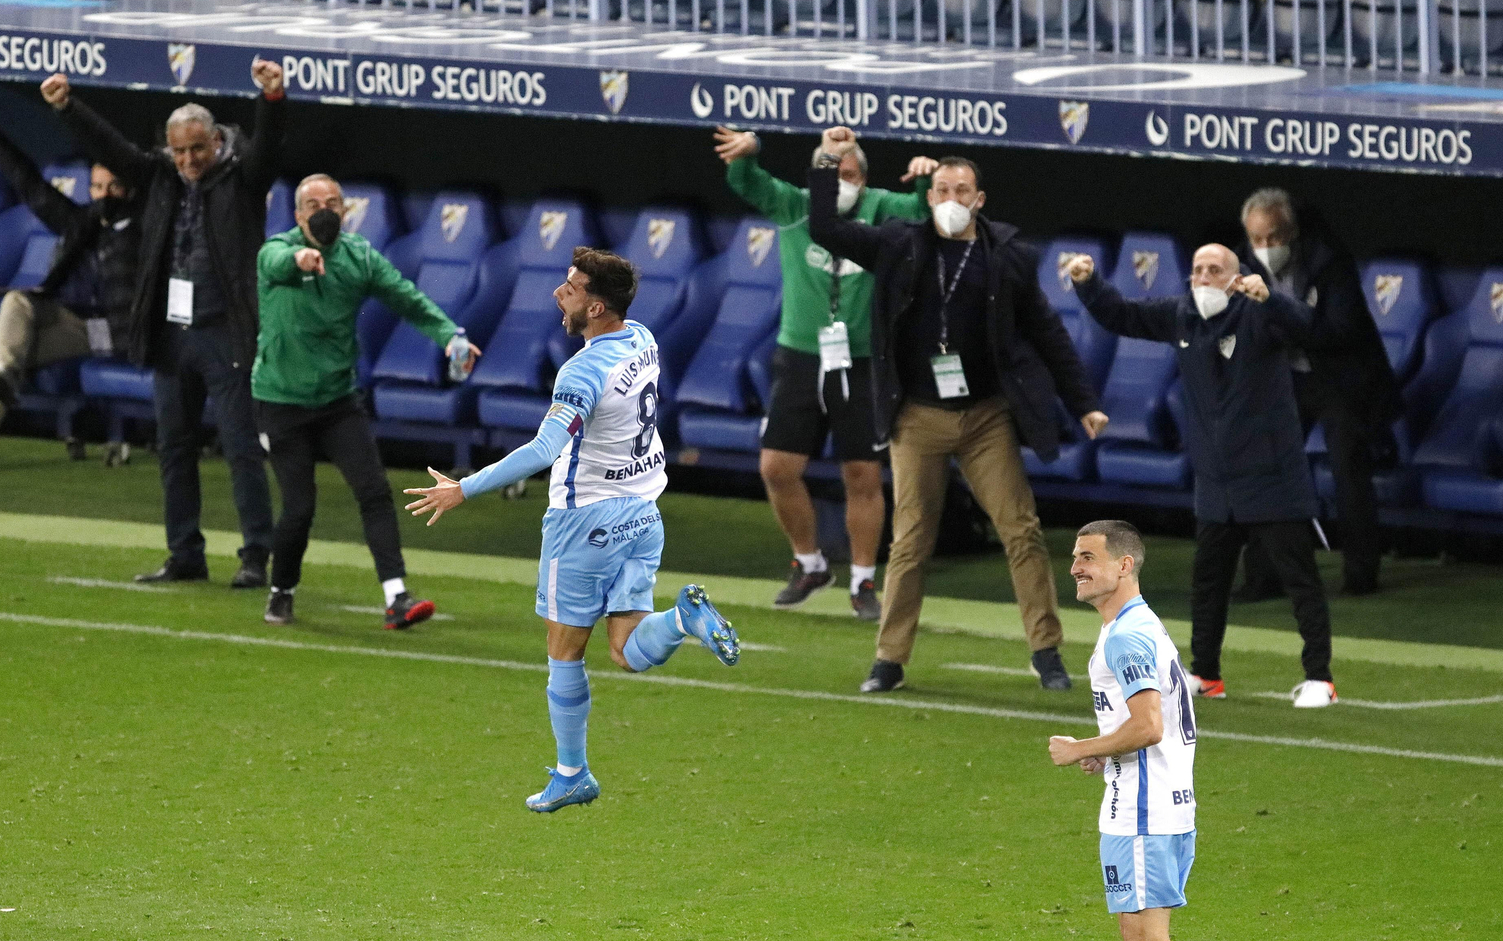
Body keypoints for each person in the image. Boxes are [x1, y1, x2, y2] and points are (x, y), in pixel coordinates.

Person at [404, 248, 741, 813]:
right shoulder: (643, 338)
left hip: (585, 520)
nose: (560, 293)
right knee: (628, 650)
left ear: (597, 304)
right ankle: (681, 620)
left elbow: (543, 448)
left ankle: (572, 772)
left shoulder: (582, 370)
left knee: (565, 650)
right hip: (643, 512)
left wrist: (464, 488)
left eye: (571, 287)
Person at [807, 126, 1107, 696]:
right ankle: (889, 660)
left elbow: (1047, 333)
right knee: (912, 539)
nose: (950, 198)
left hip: (985, 416)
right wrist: (828, 161)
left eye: (961, 189)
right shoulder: (900, 243)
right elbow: (826, 227)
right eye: (941, 188)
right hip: (918, 415)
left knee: (1021, 530)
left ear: (979, 200)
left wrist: (1085, 403)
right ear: (929, 197)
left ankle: (1046, 652)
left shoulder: (1008, 257)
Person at [39, 64, 283, 590]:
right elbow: (112, 145)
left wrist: (271, 96)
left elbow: (270, 146)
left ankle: (256, 555)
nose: (189, 160)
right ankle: (184, 553)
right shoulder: (160, 177)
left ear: (216, 140)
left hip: (226, 331)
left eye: (197, 149)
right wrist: (66, 105)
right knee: (173, 446)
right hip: (172, 335)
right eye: (179, 151)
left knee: (241, 447)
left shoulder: (243, 177)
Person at [1066, 245, 1339, 708]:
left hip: (1271, 474)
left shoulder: (1260, 313)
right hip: (1216, 479)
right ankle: (1207, 673)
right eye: (1197, 270)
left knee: (1300, 580)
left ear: (1237, 277)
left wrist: (1270, 297)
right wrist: (1088, 282)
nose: (1205, 277)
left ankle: (1320, 678)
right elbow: (1123, 316)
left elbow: (1309, 328)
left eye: (1216, 270)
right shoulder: (1182, 313)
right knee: (1208, 582)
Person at [714, 125, 936, 619]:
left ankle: (862, 580)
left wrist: (925, 179)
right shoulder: (796, 206)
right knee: (776, 468)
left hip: (859, 359)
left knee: (861, 472)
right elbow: (746, 184)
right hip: (800, 354)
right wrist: (748, 154)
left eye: (849, 172)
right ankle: (810, 562)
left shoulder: (881, 207)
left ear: (865, 177)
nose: (841, 180)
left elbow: (925, 215)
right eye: (831, 171)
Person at [253, 174, 477, 629]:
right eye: (313, 203)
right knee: (299, 507)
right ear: (298, 215)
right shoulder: (275, 249)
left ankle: (397, 597)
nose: (324, 209)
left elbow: (407, 300)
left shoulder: (359, 258)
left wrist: (450, 336)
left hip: (337, 398)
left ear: (345, 210)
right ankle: (281, 591)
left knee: (373, 491)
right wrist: (300, 257)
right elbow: (276, 262)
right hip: (281, 400)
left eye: (333, 202)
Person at [0, 110, 139, 476]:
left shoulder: (146, 230)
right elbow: (30, 185)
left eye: (114, 186)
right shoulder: (81, 221)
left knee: (6, 356)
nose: (105, 195)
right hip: (69, 317)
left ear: (130, 189)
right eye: (98, 187)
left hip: (111, 330)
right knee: (16, 303)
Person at [1236, 188, 1400, 598]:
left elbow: (1342, 330)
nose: (1266, 248)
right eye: (1257, 239)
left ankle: (1361, 574)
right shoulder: (1240, 267)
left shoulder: (1329, 262)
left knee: (1347, 465)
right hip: (1284, 379)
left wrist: (1285, 322)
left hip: (1340, 378)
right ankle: (1263, 577)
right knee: (1265, 469)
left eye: (1273, 237)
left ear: (1291, 231)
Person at [1049, 520, 1197, 941]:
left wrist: (1080, 748)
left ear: (1124, 565)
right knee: (1138, 932)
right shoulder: (1142, 623)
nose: (1075, 567)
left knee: (1145, 936)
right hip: (1163, 804)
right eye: (1075, 557)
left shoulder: (1126, 637)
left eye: (1088, 557)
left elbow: (1149, 725)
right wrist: (1105, 748)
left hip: (1142, 811)